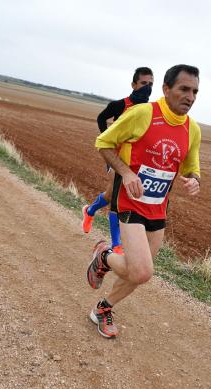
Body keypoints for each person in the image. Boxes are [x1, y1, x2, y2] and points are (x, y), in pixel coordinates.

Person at [86, 64, 202, 338]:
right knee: (142, 272)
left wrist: (195, 179)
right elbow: (103, 142)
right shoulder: (143, 114)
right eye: (184, 89)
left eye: (195, 91)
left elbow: (191, 166)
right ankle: (104, 254)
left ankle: (103, 308)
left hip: (158, 209)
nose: (190, 96)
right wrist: (125, 173)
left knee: (138, 272)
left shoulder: (192, 130)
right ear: (166, 89)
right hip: (130, 202)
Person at [82, 67, 154, 255]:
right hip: (117, 159)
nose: (148, 88)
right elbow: (101, 118)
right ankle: (117, 245)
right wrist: (109, 141)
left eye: (151, 84)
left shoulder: (150, 110)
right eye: (144, 84)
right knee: (116, 199)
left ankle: (90, 211)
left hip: (136, 161)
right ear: (134, 85)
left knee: (110, 195)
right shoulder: (120, 105)